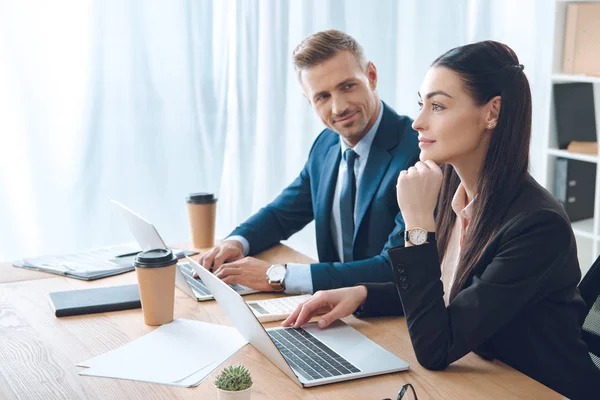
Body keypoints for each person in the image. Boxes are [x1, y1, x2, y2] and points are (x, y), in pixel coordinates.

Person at [282, 40, 600, 399]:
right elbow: (445, 294)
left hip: (537, 389)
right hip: (480, 379)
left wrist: (417, 224)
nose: (418, 121)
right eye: (422, 105)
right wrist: (363, 293)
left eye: (437, 106)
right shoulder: (451, 187)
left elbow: (438, 347)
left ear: (492, 112)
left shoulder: (537, 226)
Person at [195, 30, 420, 294]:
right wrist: (237, 242)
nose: (338, 108)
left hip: (387, 317)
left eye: (347, 86)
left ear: (371, 76)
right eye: (322, 97)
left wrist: (278, 275)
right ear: (309, 100)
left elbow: (395, 267)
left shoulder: (417, 152)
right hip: (330, 311)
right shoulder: (325, 145)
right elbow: (281, 214)